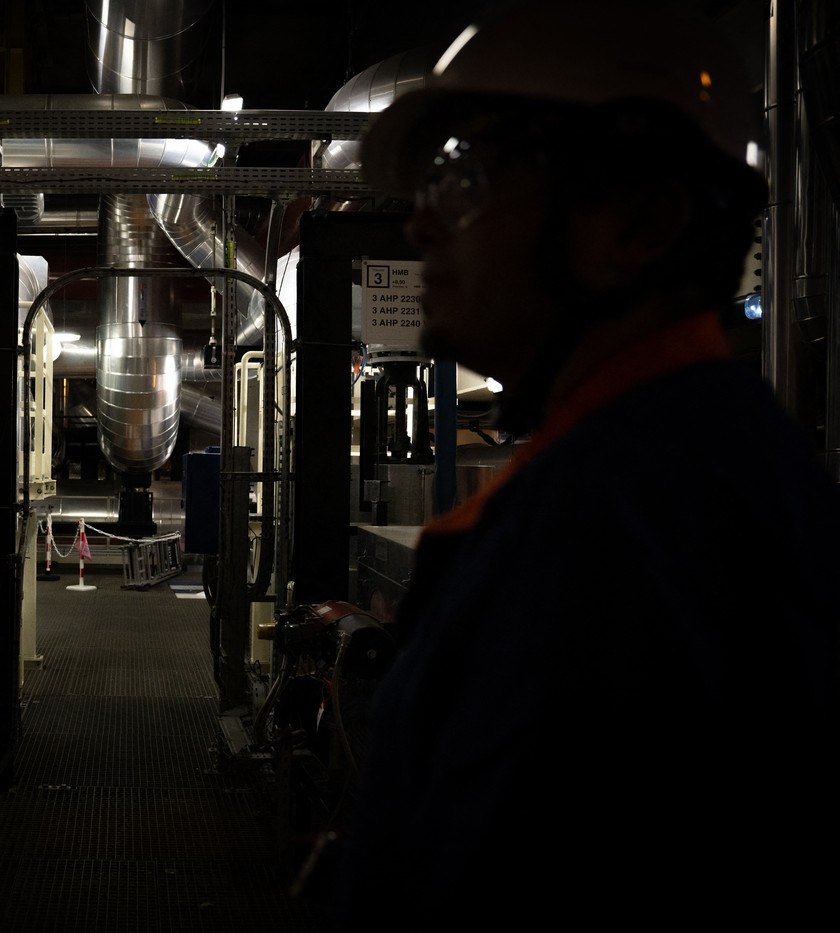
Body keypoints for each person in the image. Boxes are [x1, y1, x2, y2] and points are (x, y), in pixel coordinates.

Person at [338, 0, 840, 925]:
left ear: (637, 224)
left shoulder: (631, 529)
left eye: (464, 176)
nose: (417, 228)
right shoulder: (668, 468)